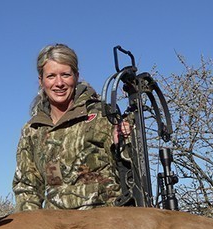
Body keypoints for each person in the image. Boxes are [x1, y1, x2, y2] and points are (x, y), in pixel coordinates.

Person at [13, 43, 128, 211]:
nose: (59, 83)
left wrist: (125, 141)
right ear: (41, 81)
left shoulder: (102, 116)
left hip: (105, 222)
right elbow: (27, 186)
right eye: (51, 76)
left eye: (65, 75)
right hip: (55, 227)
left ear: (76, 76)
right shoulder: (32, 130)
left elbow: (129, 169)